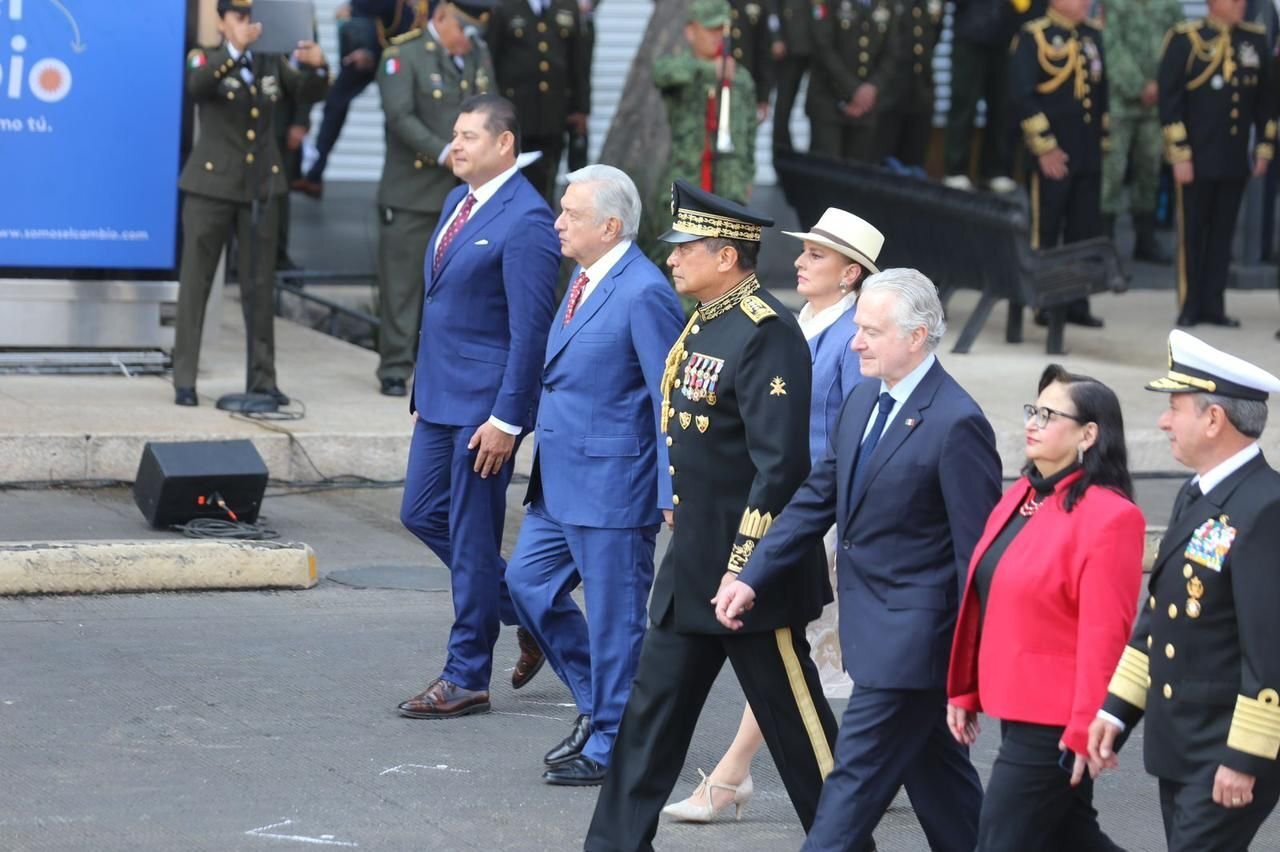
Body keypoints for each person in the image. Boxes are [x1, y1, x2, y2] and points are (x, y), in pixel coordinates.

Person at [585, 180, 837, 849]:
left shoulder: (767, 333)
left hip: (753, 576)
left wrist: (743, 568)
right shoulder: (705, 318)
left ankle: (847, 839)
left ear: (726, 256)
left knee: (799, 734)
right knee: (649, 721)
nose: (670, 260)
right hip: (693, 565)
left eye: (685, 248)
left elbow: (780, 468)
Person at [715, 268, 1002, 852]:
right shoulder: (864, 397)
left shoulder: (957, 423)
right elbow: (818, 497)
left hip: (914, 645)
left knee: (846, 796)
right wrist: (753, 575)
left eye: (870, 331)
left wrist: (970, 671)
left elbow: (981, 558)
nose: (855, 341)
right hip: (872, 630)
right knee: (947, 797)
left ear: (916, 337)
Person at [662, 207, 880, 822]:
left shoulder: (847, 335)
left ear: (851, 275)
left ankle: (747, 780)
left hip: (815, 509)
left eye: (817, 254)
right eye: (804, 249)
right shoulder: (801, 320)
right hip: (781, 506)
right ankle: (761, 780)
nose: (801, 261)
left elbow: (844, 436)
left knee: (793, 652)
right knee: (793, 656)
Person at [504, 165, 685, 787]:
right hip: (558, 482)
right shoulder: (584, 277)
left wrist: (670, 489)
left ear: (610, 226)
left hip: (613, 485)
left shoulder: (643, 291)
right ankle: (598, 703)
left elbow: (668, 397)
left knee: (615, 620)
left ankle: (614, 739)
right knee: (527, 588)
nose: (557, 222)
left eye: (570, 214)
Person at [395, 94, 559, 720]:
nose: (455, 145)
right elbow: (440, 306)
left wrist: (508, 420)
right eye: (454, 135)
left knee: (469, 538)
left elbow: (530, 332)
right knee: (420, 513)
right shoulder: (457, 203)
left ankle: (465, 675)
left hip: (484, 412)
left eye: (469, 136)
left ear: (505, 145)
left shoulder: (528, 220)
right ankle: (537, 613)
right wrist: (422, 386)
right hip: (439, 397)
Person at [1088, 330, 1280, 851]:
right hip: (1182, 747)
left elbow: (1270, 651)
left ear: (1214, 419)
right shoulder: (1198, 492)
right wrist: (1116, 711)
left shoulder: (1265, 509)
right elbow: (1160, 619)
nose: (1163, 421)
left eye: (1175, 408)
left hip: (1225, 752)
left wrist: (1246, 758)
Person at [946, 364, 1145, 851]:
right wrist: (966, 688)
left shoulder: (1111, 516)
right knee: (1070, 836)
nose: (1032, 422)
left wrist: (1085, 728)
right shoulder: (1024, 495)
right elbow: (989, 599)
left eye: (1049, 414)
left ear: (1089, 434)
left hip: (1057, 719)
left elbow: (1106, 635)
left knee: (998, 840)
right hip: (1015, 705)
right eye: (1033, 410)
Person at [173, 0, 329, 407]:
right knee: (197, 283)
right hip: (211, 186)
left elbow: (307, 91)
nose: (248, 26)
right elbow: (198, 86)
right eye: (240, 18)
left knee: (259, 286)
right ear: (223, 21)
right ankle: (184, 379)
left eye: (252, 18)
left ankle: (263, 379)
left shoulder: (271, 61)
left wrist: (317, 64)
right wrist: (235, 51)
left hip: (260, 187)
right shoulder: (204, 56)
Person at [373, 0, 495, 398]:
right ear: (441, 18)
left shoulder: (477, 54)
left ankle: (442, 364)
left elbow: (491, 111)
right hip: (413, 191)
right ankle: (394, 364)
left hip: (462, 196)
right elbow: (400, 116)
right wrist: (446, 153)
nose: (468, 40)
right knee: (403, 284)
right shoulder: (402, 56)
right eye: (462, 29)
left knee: (459, 286)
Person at [1159, 0, 1274, 328]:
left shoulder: (1254, 40)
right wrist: (1180, 154)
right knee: (1193, 233)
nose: (1239, 5)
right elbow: (1171, 103)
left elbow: (1266, 102)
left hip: (1234, 157)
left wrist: (1264, 148)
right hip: (1196, 157)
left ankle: (1214, 303)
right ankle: (1190, 303)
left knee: (1223, 235)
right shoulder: (1185, 39)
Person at [1010, 0, 1109, 329]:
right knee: (1047, 229)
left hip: (1087, 152)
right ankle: (1046, 303)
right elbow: (1022, 96)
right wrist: (1045, 147)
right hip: (1053, 153)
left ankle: (1076, 303)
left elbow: (1101, 94)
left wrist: (1102, 144)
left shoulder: (1091, 36)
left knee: (1083, 231)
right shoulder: (1034, 36)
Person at [292, 0, 424, 199]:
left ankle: (397, 183)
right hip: (370, 48)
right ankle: (314, 174)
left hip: (403, 53)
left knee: (397, 115)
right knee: (335, 105)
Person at [1098, 0, 1182, 262]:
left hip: (1156, 104)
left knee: (1150, 172)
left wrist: (1162, 84)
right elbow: (1110, 44)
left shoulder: (1170, 4)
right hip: (1120, 101)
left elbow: (1178, 43)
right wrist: (1137, 85)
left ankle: (1145, 239)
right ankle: (1104, 240)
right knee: (1112, 172)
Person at [653, 0, 758, 206]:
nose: (717, 36)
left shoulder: (740, 77)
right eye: (710, 29)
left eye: (722, 30)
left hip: (730, 185)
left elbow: (750, 132)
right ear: (691, 32)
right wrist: (710, 70)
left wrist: (747, 177)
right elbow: (661, 73)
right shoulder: (680, 68)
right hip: (689, 181)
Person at [486, 0, 591, 204]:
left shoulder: (567, 7)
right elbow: (491, 61)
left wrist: (581, 109)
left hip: (553, 114)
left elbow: (579, 63)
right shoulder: (505, 8)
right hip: (515, 116)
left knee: (547, 183)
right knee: (511, 183)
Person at [942, 0, 1037, 191]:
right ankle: (955, 168)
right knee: (963, 104)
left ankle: (995, 170)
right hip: (970, 34)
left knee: (1002, 105)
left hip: (1007, 34)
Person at [805, 0, 906, 163]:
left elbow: (892, 52)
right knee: (827, 173)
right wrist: (854, 90)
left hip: (866, 106)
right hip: (828, 102)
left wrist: (873, 87)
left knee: (858, 175)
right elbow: (822, 47)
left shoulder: (888, 4)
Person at [872, 0, 944, 168]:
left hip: (921, 89)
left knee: (914, 163)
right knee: (883, 163)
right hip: (889, 89)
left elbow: (934, 35)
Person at [771, 0, 814, 152]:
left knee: (819, 110)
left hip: (822, 45)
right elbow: (772, 6)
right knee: (783, 108)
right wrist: (776, 37)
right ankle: (782, 156)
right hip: (790, 46)